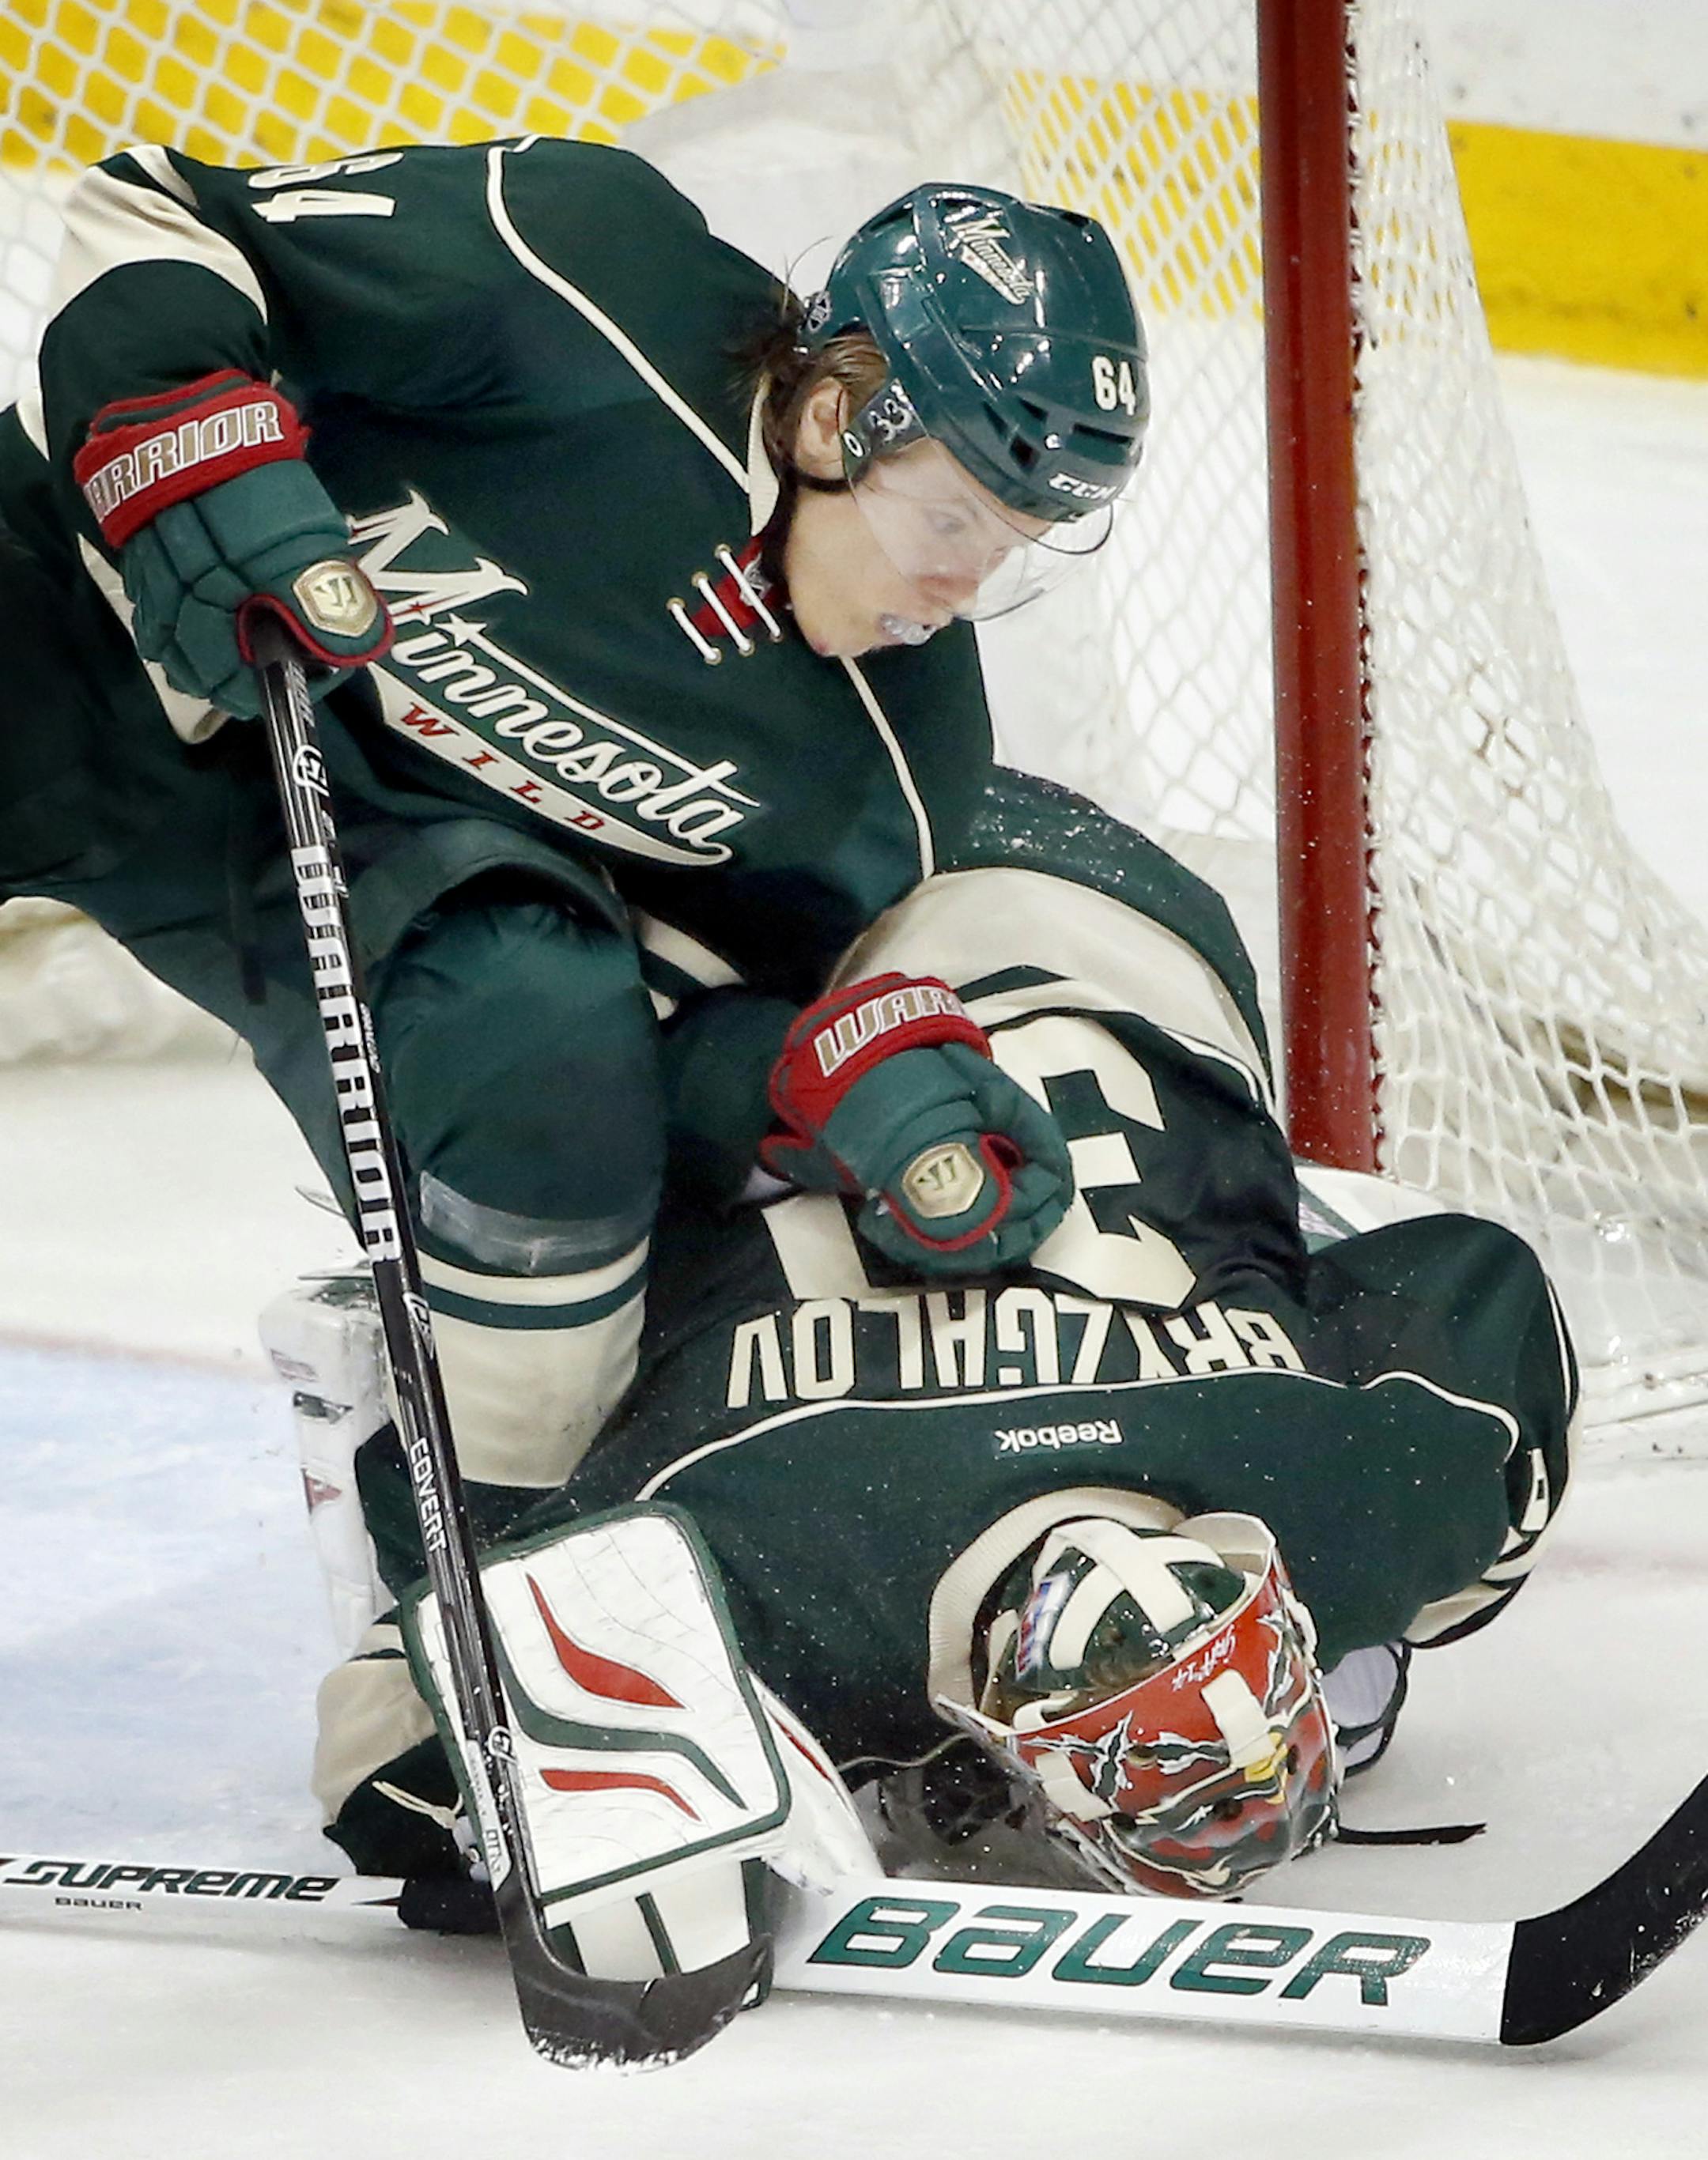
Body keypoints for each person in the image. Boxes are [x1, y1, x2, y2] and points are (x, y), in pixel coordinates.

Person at [1, 141, 1143, 1532]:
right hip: (86, 625)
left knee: (549, 1053)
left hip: (383, 875)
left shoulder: (885, 775)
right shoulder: (580, 270)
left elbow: (684, 1021)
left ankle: (477, 1591)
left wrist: (811, 1086)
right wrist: (174, 428)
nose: (963, 588)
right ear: (835, 414)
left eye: (1010, 541)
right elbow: (163, 217)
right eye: (951, 515)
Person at [291, 768, 1575, 1905]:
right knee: (513, 1386)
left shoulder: (1369, 1481)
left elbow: (1489, 1300)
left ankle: (1255, 1236)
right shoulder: (772, 1571)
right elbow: (382, 1737)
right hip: (765, 926)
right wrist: (538, 1801)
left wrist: (1408, 1582)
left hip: (1104, 914)